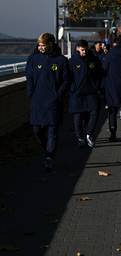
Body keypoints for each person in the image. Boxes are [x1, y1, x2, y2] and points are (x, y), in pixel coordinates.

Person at [25, 32, 70, 172]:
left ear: (51, 44)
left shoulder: (61, 61)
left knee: (52, 131)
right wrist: (31, 93)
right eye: (39, 45)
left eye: (43, 45)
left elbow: (66, 80)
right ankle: (47, 150)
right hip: (37, 101)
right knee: (37, 130)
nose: (40, 47)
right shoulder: (33, 59)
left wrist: (58, 95)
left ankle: (49, 157)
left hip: (53, 102)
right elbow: (29, 77)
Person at [68, 40, 103, 148]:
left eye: (86, 49)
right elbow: (68, 77)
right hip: (77, 94)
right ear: (77, 48)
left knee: (94, 113)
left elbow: (100, 74)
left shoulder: (93, 60)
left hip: (91, 92)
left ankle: (89, 134)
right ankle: (80, 138)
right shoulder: (72, 61)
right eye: (82, 50)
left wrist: (97, 87)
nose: (84, 52)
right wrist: (72, 89)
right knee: (78, 117)